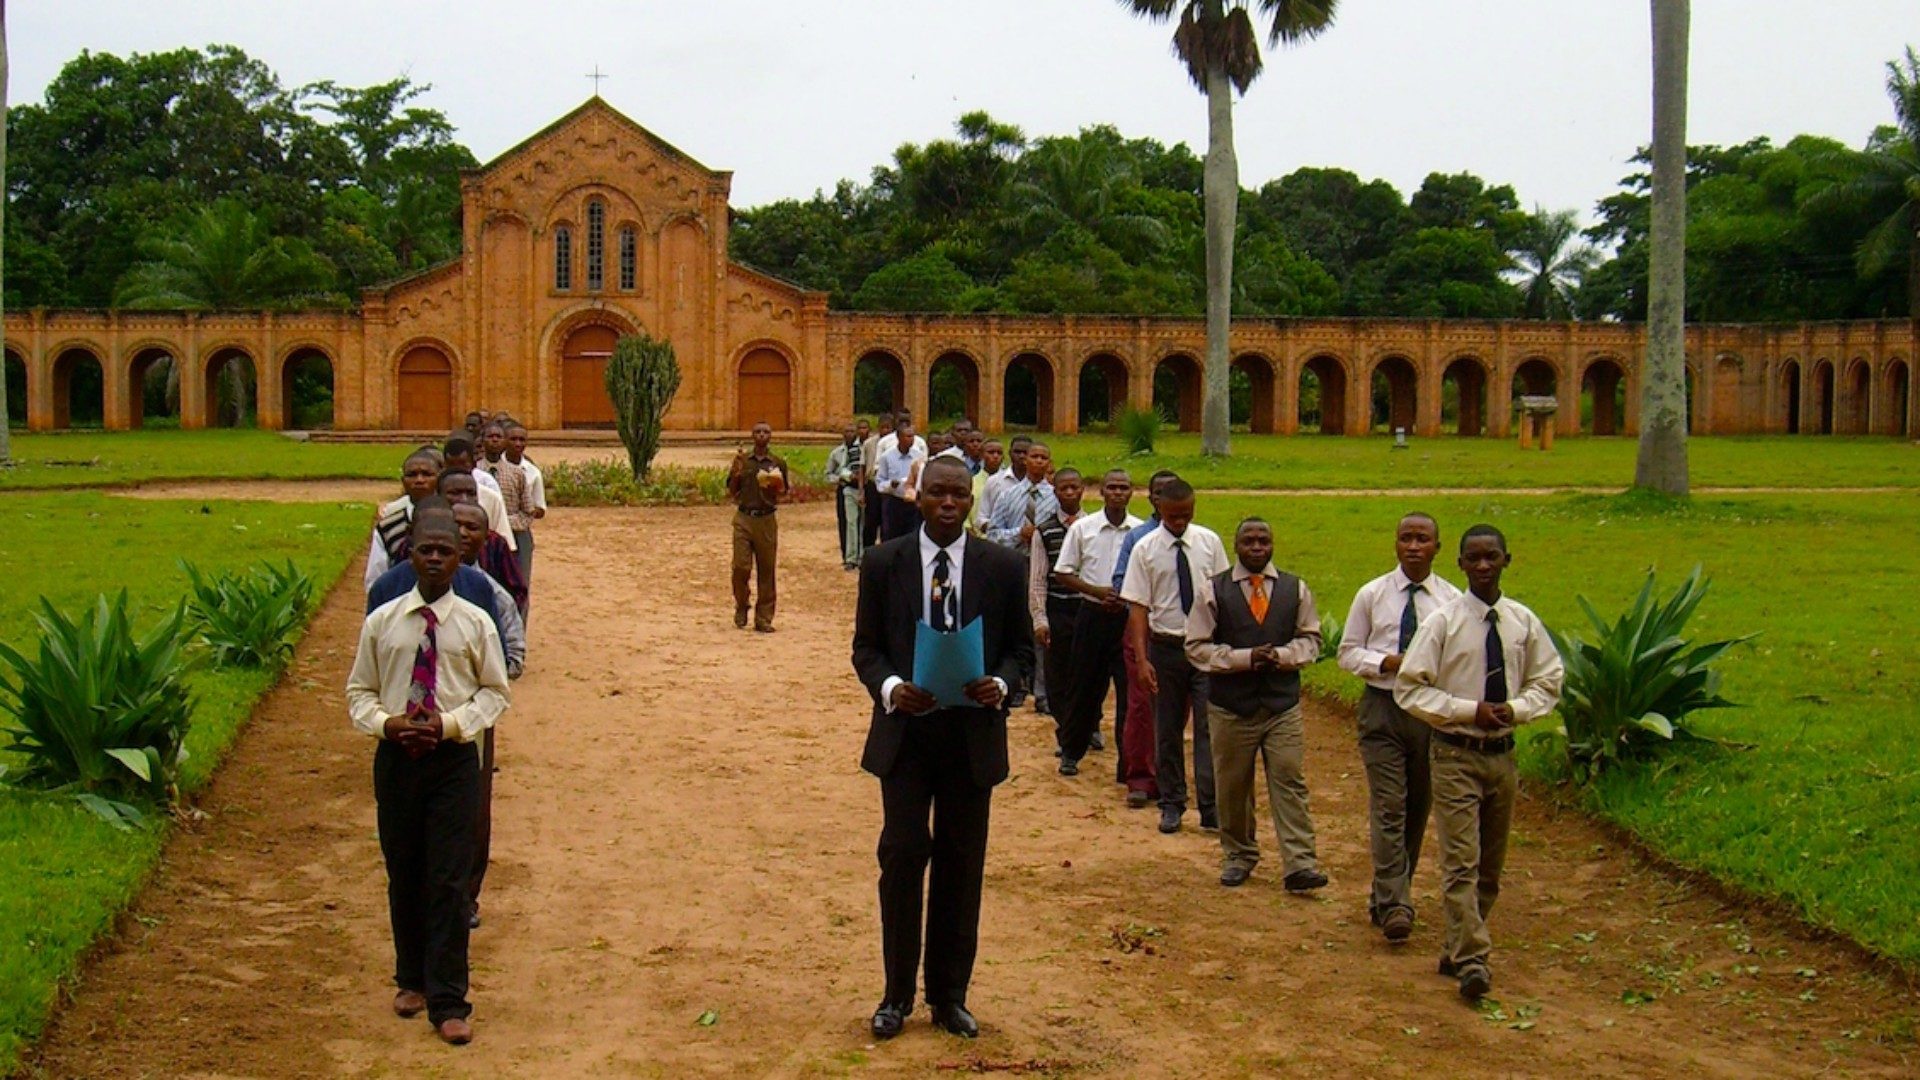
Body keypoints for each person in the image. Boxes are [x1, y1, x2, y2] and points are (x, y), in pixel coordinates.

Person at [853, 455, 1035, 1042]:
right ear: (919, 497)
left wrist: (1002, 685)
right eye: (938, 494)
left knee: (962, 865)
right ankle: (896, 995)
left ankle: (949, 995)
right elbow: (866, 648)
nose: (949, 503)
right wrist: (890, 688)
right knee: (903, 857)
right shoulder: (885, 562)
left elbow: (1021, 653)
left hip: (970, 737)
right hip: (906, 736)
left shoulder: (1003, 567)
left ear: (971, 500)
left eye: (960, 494)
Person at [345, 505, 510, 1046]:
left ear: (461, 555)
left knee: (448, 877)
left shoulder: (475, 623)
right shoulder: (383, 623)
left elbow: (494, 693)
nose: (435, 558)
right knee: (405, 868)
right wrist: (387, 724)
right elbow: (358, 693)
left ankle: (448, 999)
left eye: (445, 550)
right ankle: (409, 978)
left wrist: (450, 723)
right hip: (397, 758)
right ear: (409, 554)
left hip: (453, 760)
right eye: (425, 550)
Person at [1395, 524, 1563, 1002]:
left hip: (1502, 758)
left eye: (1493, 557)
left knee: (1490, 868)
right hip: (1454, 754)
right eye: (1475, 559)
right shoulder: (1443, 624)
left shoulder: (1522, 622)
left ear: (1508, 560)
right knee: (1460, 863)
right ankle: (1473, 960)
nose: (1484, 566)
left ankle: (1456, 945)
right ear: (1461, 565)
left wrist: (1517, 709)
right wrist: (1470, 710)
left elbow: (1548, 680)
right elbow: (1411, 688)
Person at [1184, 518, 1328, 894]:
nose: (1257, 546)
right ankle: (1239, 854)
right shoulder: (1213, 590)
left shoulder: (1295, 589)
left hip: (1281, 706)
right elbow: (1196, 647)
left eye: (1264, 539)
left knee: (1289, 780)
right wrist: (1244, 658)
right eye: (1249, 540)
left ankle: (1300, 862)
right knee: (1232, 786)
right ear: (1236, 546)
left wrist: (1281, 656)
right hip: (1231, 708)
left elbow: (1312, 640)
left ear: (1273, 544)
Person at [1337, 512, 1463, 943]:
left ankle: (1387, 894)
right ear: (1395, 545)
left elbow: (1461, 659)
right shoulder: (1372, 595)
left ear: (1437, 548)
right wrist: (1385, 663)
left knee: (1417, 807)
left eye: (1422, 539)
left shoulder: (1452, 601)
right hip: (1383, 708)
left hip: (1429, 713)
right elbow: (1348, 652)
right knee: (1389, 804)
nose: (1413, 546)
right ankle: (1396, 903)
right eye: (1406, 538)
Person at [1119, 479, 1229, 828]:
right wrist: (1141, 659)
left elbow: (1224, 595)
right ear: (1160, 510)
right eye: (1173, 516)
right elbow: (1137, 607)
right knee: (1165, 729)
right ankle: (1171, 802)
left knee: (1208, 728)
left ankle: (1210, 806)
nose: (1180, 522)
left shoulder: (1208, 543)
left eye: (1186, 515)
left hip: (1205, 648)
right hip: (1165, 647)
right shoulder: (1146, 549)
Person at [1052, 469, 1140, 775]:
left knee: (1129, 692)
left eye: (1123, 488)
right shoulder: (1083, 529)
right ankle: (1071, 750)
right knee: (1083, 686)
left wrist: (1125, 595)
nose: (1117, 493)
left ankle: (1127, 762)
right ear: (1101, 492)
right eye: (1112, 487)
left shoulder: (1139, 533)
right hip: (1091, 614)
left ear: (1131, 493)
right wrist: (1096, 591)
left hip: (1128, 618)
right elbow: (1063, 572)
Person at [1111, 471, 1179, 807]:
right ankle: (1140, 777)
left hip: (1184, 633)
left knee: (1183, 708)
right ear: (1152, 498)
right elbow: (1122, 583)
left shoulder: (1201, 540)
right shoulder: (1138, 538)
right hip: (1146, 627)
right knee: (1141, 704)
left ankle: (1175, 779)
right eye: (1160, 492)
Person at [1028, 467, 1084, 725]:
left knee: (1087, 673)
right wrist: (1040, 619)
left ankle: (1088, 724)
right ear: (1055, 491)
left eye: (1075, 487)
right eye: (1064, 488)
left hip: (1088, 611)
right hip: (1058, 610)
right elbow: (1038, 579)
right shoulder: (1044, 531)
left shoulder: (1093, 528)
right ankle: (1065, 729)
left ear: (1083, 490)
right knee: (1058, 673)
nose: (1070, 493)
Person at [437, 471, 528, 617]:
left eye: (470, 493)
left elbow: (516, 590)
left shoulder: (495, 543)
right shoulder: (424, 538)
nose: (463, 498)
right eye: (455, 493)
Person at [726, 421, 788, 632]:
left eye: (766, 432)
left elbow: (783, 492)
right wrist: (735, 474)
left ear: (770, 436)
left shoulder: (777, 463)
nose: (762, 435)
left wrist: (775, 484)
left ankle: (764, 618)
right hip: (744, 518)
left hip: (766, 520)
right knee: (740, 567)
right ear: (753, 436)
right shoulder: (743, 461)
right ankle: (742, 604)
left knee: (766, 569)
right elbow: (732, 491)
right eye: (758, 432)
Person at [365, 448, 444, 591]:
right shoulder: (388, 527)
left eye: (426, 474)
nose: (419, 480)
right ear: (403, 481)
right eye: (412, 475)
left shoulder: (454, 521)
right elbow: (375, 581)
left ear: (439, 479)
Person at [480, 423, 536, 604]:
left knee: (519, 584)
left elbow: (528, 512)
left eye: (499, 437)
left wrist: (504, 523)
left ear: (504, 442)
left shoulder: (517, 474)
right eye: (490, 436)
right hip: (483, 536)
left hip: (517, 536)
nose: (495, 440)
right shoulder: (476, 472)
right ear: (482, 441)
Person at [443, 437, 515, 554]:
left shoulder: (491, 499)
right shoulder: (434, 496)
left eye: (462, 465)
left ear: (473, 464)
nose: (457, 471)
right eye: (452, 465)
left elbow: (505, 543)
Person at [983, 442, 1055, 550]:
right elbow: (992, 535)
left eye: (1043, 458)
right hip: (1013, 559)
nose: (1039, 461)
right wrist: (1019, 533)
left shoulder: (1056, 498)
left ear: (1049, 463)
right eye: (1034, 457)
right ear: (1026, 460)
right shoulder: (1007, 496)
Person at [503, 423, 545, 584]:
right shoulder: (492, 469)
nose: (518, 444)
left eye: (522, 440)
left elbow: (540, 509)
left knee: (521, 581)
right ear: (505, 440)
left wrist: (525, 509)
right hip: (495, 532)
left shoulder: (532, 472)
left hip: (520, 532)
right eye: (513, 439)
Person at [873, 422, 925, 541]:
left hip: (912, 504)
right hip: (893, 502)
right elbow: (879, 482)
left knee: (912, 537)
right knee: (891, 536)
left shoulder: (919, 456)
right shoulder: (887, 457)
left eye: (912, 436)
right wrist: (891, 485)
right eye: (908, 436)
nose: (911, 439)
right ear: (899, 437)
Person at [827, 423, 865, 570]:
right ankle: (850, 557)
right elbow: (828, 474)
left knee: (863, 524)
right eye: (846, 431)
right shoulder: (836, 453)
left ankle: (862, 556)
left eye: (852, 431)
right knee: (850, 523)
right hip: (847, 489)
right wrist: (841, 478)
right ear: (842, 434)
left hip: (862, 490)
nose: (849, 434)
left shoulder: (863, 450)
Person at [861, 414, 892, 550]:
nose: (885, 430)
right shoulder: (869, 444)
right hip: (872, 485)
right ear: (878, 428)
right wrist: (861, 491)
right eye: (882, 427)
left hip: (888, 487)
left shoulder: (895, 444)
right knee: (870, 522)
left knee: (887, 522)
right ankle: (867, 552)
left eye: (888, 428)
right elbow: (862, 467)